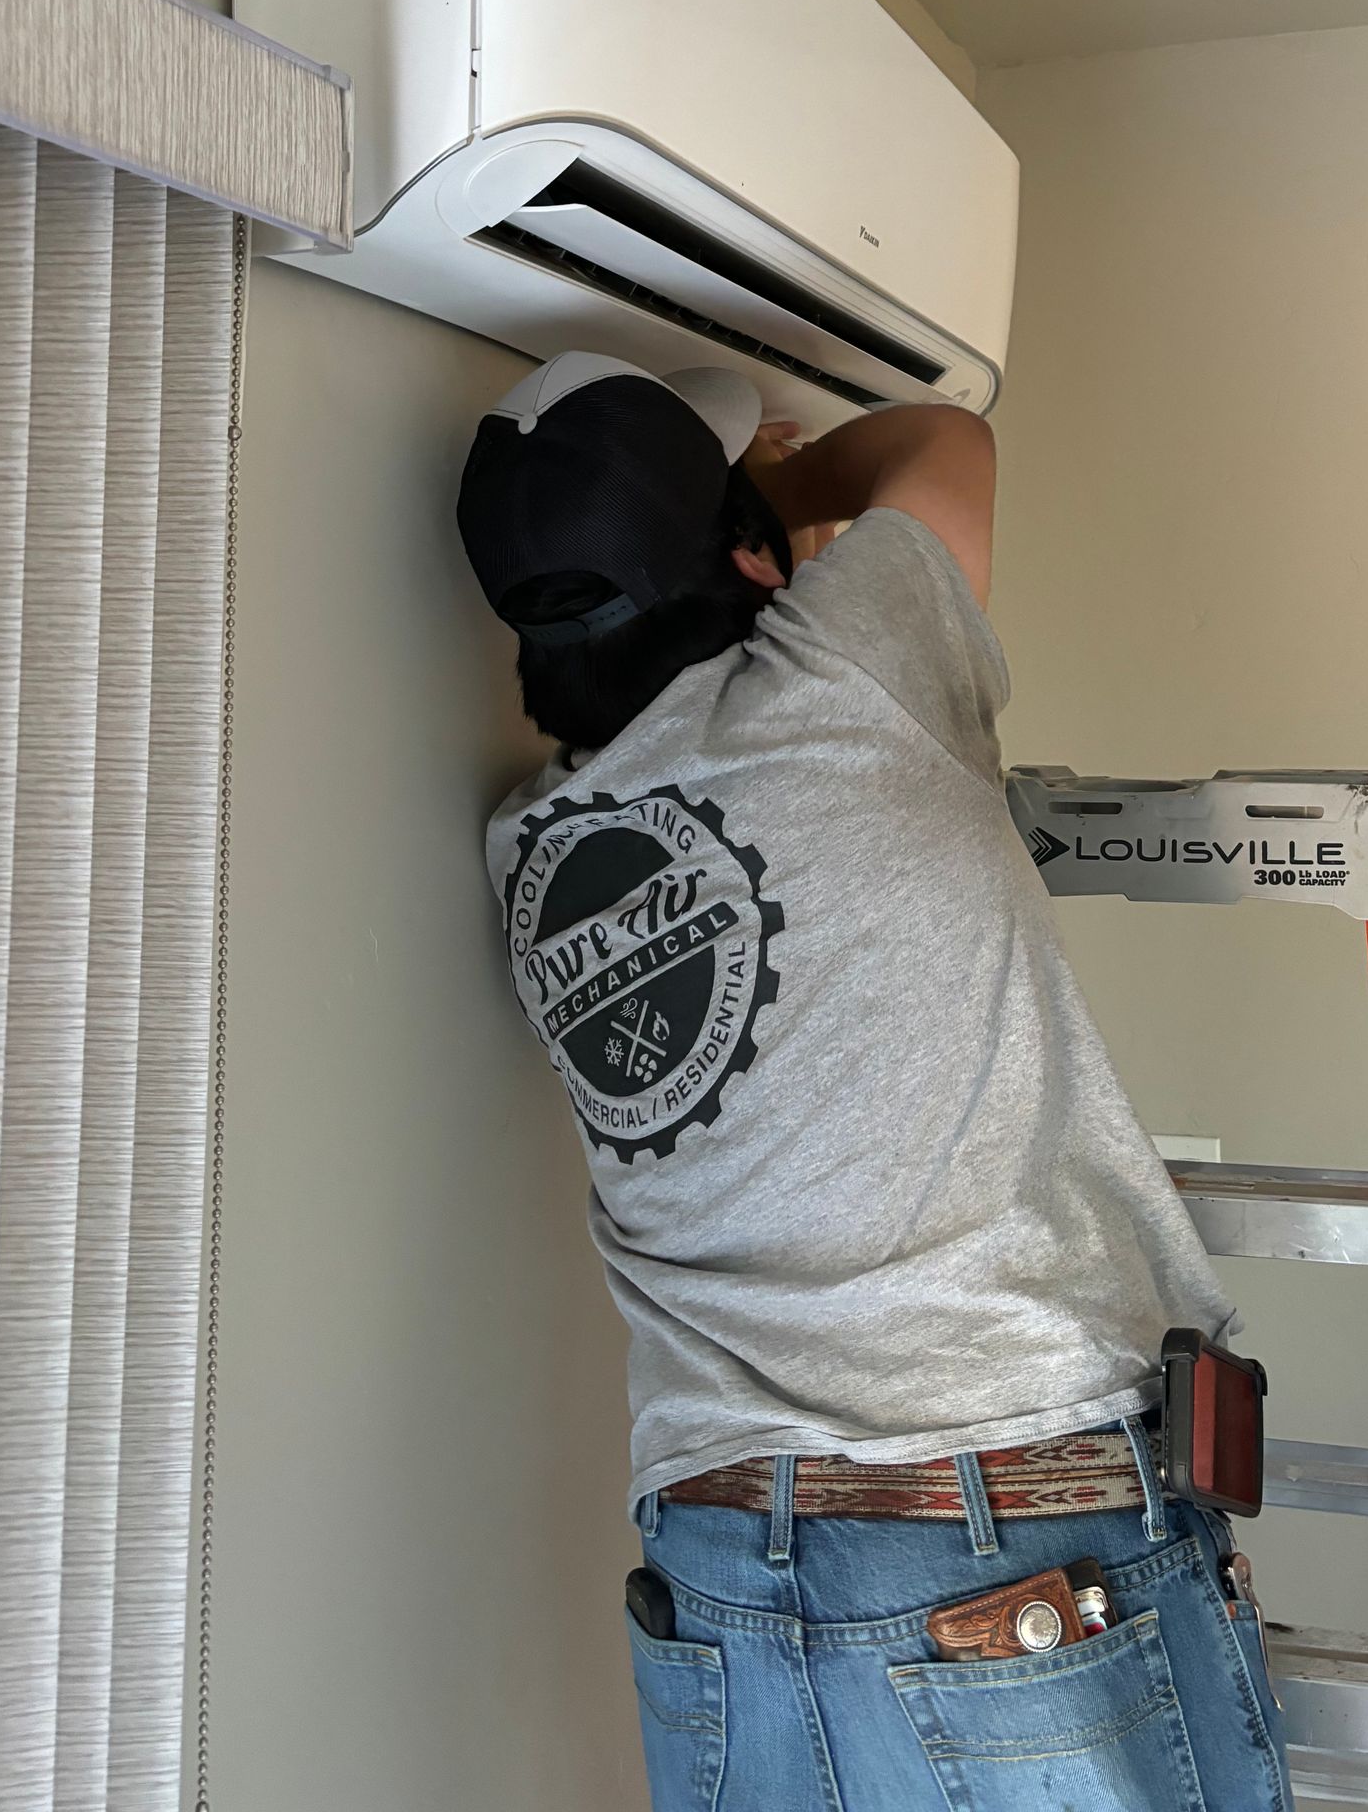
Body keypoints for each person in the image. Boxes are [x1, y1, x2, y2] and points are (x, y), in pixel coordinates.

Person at [457, 349, 1291, 1812]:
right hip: (994, 1533)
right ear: (747, 562)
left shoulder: (530, 852)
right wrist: (787, 489)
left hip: (721, 1577)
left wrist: (751, 522)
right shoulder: (848, 671)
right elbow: (947, 441)